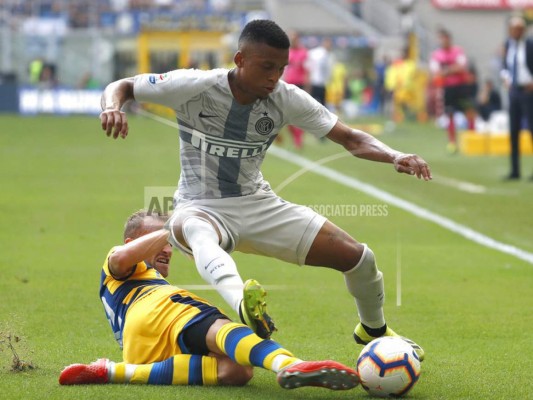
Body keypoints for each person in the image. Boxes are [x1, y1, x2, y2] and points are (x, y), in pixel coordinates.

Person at [98, 19, 431, 360]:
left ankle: (373, 330)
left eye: (281, 68)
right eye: (267, 67)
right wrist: (112, 107)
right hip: (199, 205)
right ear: (240, 60)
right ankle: (243, 303)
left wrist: (395, 155)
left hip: (257, 204)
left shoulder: (286, 98)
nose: (275, 76)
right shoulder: (194, 85)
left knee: (360, 258)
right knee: (194, 227)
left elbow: (351, 138)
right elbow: (123, 85)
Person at [59, 210, 359, 390]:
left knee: (237, 371)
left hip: (140, 351)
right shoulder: (120, 264)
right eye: (161, 241)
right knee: (217, 327)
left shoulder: (130, 286)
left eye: (172, 244)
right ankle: (289, 364)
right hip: (158, 313)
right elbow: (122, 256)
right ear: (131, 241)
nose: (167, 248)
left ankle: (111, 371)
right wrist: (175, 227)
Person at [501, 16, 533, 180]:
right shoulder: (508, 45)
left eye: (519, 29)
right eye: (514, 29)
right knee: (514, 131)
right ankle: (515, 170)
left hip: (528, 92)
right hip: (514, 92)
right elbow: (505, 65)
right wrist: (506, 77)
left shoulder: (530, 45)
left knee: (531, 130)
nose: (516, 32)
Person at [430, 28, 472, 153]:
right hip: (448, 88)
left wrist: (446, 71)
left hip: (461, 86)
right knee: (450, 114)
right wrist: (451, 70)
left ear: (449, 39)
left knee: (469, 111)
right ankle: (452, 142)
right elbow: (436, 73)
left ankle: (471, 138)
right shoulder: (436, 54)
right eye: (440, 39)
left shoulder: (458, 51)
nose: (442, 41)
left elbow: (462, 67)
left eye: (444, 38)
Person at [282, 31, 308, 149]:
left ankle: (298, 138)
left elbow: (307, 70)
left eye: (294, 38)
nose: (292, 40)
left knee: (297, 113)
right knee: (286, 114)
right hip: (287, 85)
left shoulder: (303, 53)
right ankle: (296, 136)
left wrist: (308, 87)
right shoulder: (287, 52)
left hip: (299, 85)